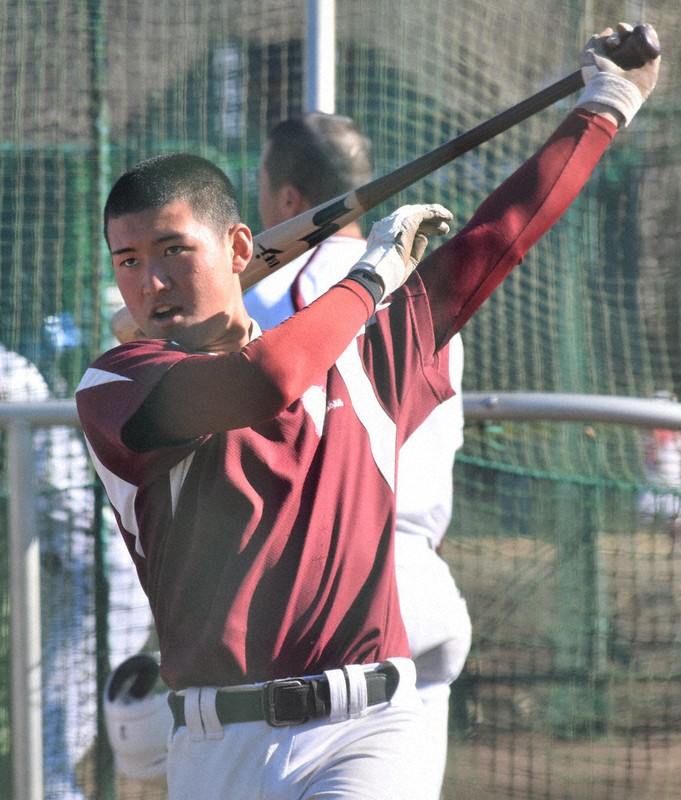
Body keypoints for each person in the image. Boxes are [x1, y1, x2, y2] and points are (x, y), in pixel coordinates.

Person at [75, 24, 658, 800]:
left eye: (174, 250)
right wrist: (376, 272)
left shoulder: (368, 350)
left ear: (239, 246)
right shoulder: (118, 385)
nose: (150, 282)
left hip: (371, 726)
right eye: (129, 262)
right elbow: (266, 380)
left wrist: (607, 103)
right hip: (219, 747)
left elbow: (499, 237)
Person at [245, 110, 471, 799]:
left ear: (288, 201)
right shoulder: (420, 281)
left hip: (338, 599)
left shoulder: (271, 294)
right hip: (429, 588)